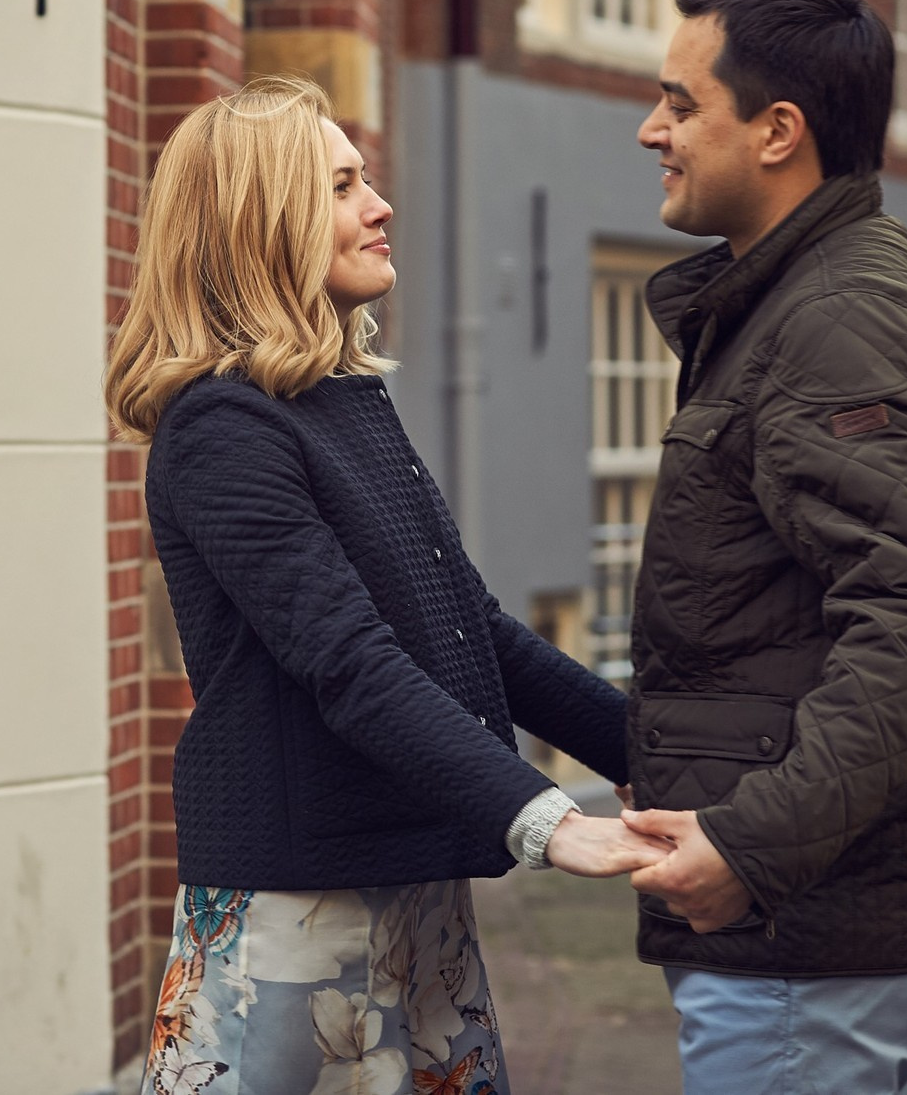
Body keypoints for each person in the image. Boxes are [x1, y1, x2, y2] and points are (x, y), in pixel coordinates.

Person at [105, 76, 666, 1095]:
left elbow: (468, 633)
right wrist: (545, 817)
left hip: (407, 878)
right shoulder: (222, 429)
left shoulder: (339, 399)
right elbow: (351, 662)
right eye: (341, 184)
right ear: (258, 224)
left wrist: (645, 752)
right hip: (300, 905)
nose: (380, 203)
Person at [614, 0, 907, 1094]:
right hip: (799, 929)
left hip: (805, 937)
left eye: (680, 104)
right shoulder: (793, 299)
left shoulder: (835, 317)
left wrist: (751, 843)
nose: (651, 130)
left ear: (777, 131)